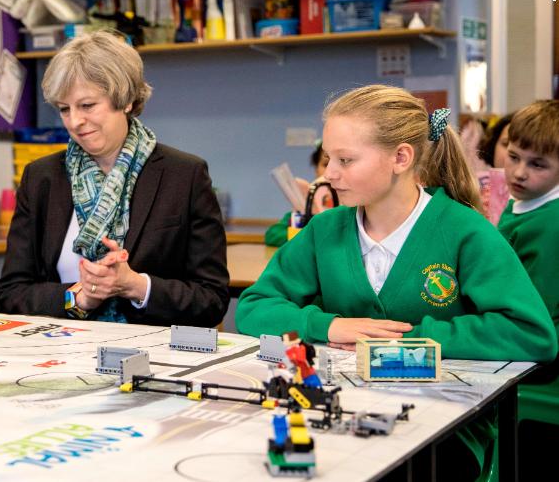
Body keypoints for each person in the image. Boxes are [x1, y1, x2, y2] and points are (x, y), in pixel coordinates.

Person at [236, 85, 556, 478]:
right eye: (327, 158)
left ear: (401, 158)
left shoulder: (464, 231)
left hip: (445, 426)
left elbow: (531, 333)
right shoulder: (325, 230)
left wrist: (411, 340)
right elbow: (254, 307)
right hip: (343, 412)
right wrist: (328, 325)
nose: (329, 174)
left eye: (346, 160)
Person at [0, 31, 229, 327]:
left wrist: (135, 285)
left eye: (87, 105)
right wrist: (79, 298)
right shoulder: (41, 178)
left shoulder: (185, 176)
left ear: (127, 99)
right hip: (61, 353)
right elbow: (11, 294)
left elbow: (212, 300)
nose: (74, 122)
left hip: (154, 358)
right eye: (64, 109)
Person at [498, 100, 559, 376]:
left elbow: (538, 315)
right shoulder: (522, 202)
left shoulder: (550, 223)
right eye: (513, 157)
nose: (520, 172)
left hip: (540, 358)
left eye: (537, 164)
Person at [264, 142, 332, 247]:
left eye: (342, 162)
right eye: (325, 164)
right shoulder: (306, 206)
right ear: (316, 169)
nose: (331, 172)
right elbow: (273, 234)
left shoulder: (352, 207)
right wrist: (308, 235)